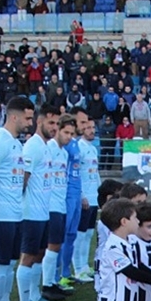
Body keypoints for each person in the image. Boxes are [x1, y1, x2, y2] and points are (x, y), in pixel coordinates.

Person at [0, 96, 37, 301]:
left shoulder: (17, 143)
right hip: (0, 213)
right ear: (14, 116)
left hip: (16, 212)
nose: (30, 121)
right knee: (0, 262)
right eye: (27, 117)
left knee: (9, 263)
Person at [18, 106, 62, 301]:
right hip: (31, 213)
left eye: (57, 124)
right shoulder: (32, 146)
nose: (54, 128)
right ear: (40, 122)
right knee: (28, 257)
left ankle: (35, 297)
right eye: (51, 123)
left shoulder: (46, 147)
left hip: (43, 211)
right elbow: (23, 180)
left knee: (39, 254)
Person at [40, 115, 79, 300]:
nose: (69, 137)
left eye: (72, 133)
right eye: (66, 132)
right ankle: (46, 285)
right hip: (50, 204)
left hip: (60, 202)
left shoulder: (64, 153)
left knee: (56, 244)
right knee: (51, 245)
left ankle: (51, 282)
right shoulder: (48, 148)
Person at [57, 108, 91, 288]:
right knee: (62, 235)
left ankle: (66, 272)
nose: (85, 126)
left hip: (76, 193)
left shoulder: (76, 144)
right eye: (82, 122)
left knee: (71, 234)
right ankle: (57, 275)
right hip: (68, 193)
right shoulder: (64, 146)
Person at [71, 118, 101, 282]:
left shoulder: (93, 149)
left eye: (93, 127)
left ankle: (84, 265)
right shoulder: (79, 148)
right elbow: (76, 175)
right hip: (84, 198)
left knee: (89, 233)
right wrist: (81, 195)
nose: (91, 130)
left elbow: (95, 173)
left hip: (94, 197)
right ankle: (77, 269)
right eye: (88, 127)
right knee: (80, 234)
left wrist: (100, 191)